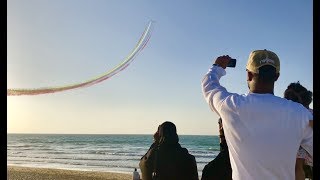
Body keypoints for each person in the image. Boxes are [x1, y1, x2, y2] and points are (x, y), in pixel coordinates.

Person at [201, 49, 313, 180]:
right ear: (277, 76)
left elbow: (209, 85)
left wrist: (217, 67)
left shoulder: (229, 105)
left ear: (248, 75)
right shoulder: (300, 114)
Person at [284, 81, 313, 180]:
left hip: (299, 144)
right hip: (304, 145)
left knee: (297, 167)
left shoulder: (296, 112)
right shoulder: (308, 112)